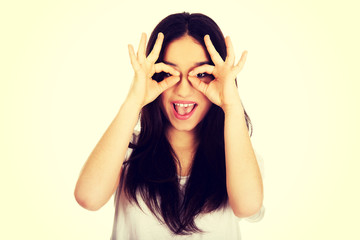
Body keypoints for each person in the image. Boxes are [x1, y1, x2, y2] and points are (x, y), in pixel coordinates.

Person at [74, 12, 264, 239]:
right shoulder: (126, 150)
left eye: (201, 73)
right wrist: (135, 99)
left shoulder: (237, 154)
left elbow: (248, 206)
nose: (183, 90)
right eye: (168, 72)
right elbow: (88, 197)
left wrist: (231, 105)